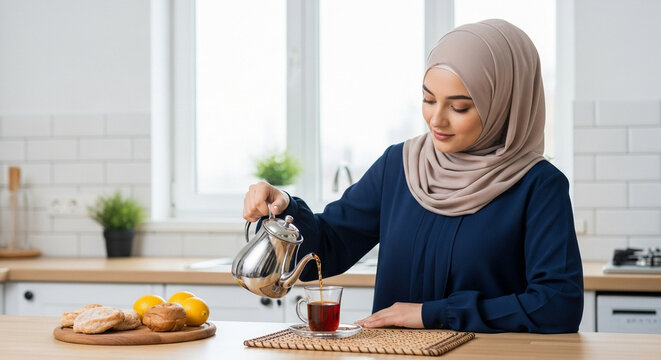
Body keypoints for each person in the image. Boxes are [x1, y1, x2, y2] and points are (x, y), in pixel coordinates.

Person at [242, 19, 583, 333]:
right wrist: (285, 207)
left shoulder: (539, 186)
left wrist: (430, 314)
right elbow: (329, 246)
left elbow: (558, 304)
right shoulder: (400, 165)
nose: (436, 120)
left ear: (504, 105)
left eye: (459, 107)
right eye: (428, 99)